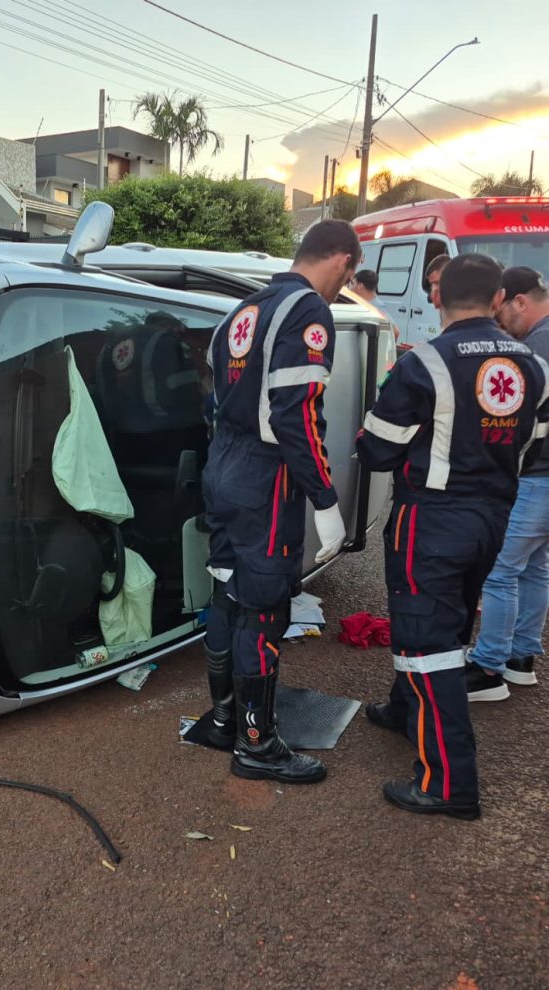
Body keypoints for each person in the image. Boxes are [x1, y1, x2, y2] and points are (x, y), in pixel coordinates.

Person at [357, 254, 549, 820]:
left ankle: (448, 783)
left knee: (427, 641)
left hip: (434, 517)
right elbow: (534, 441)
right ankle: (403, 709)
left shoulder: (426, 363)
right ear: (497, 300)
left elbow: (377, 449)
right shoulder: (530, 364)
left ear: (437, 299)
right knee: (449, 620)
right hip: (494, 514)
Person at [202, 219, 359, 785]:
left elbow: (214, 401)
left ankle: (224, 719)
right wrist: (324, 497)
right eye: (349, 274)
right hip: (267, 479)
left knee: (228, 593)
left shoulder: (238, 312)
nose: (345, 284)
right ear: (342, 260)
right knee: (265, 609)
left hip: (223, 464)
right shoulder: (307, 310)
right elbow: (298, 413)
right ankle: (257, 744)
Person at [466, 267, 549, 700]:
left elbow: (524, 419)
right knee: (535, 568)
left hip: (537, 477)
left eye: (505, 314)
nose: (503, 326)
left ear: (520, 300)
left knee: (500, 573)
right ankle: (520, 658)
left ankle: (488, 668)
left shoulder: (537, 347)